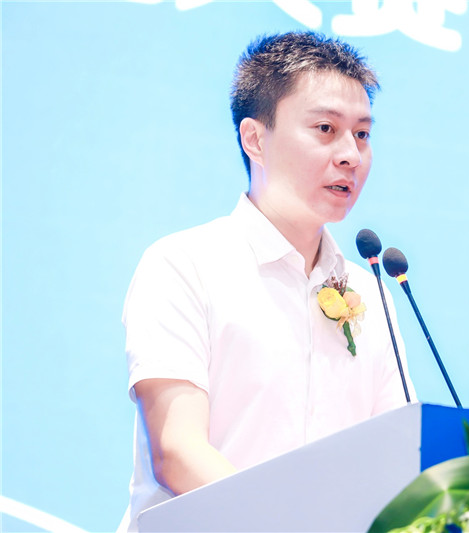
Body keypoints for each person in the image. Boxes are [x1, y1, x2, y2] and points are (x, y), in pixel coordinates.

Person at [117, 31, 416, 532]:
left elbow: (396, 460)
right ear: (255, 139)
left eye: (363, 135)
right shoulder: (184, 264)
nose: (351, 154)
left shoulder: (370, 293)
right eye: (326, 128)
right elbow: (178, 451)